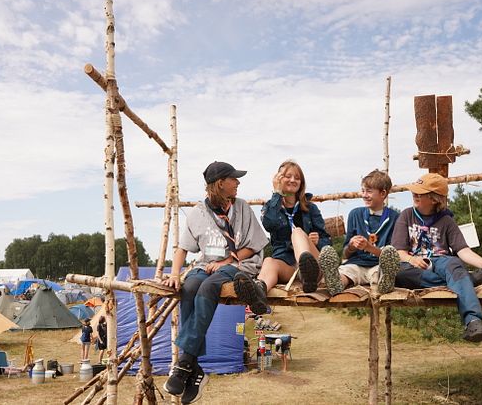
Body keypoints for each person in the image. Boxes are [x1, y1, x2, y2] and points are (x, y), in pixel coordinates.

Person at [162, 161, 268, 404]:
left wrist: (227, 261)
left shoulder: (242, 208)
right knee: (189, 288)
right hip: (206, 265)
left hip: (240, 265)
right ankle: (194, 369)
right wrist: (175, 274)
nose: (238, 182)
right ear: (221, 184)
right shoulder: (199, 213)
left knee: (209, 287)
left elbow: (254, 245)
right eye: (234, 179)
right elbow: (182, 248)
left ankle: (185, 363)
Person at [390, 173, 482, 342]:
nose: (415, 195)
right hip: (413, 265)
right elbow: (398, 252)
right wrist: (412, 260)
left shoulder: (446, 221)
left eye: (421, 193)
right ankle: (467, 280)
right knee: (398, 273)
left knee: (454, 264)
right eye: (415, 191)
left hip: (441, 261)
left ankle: (473, 322)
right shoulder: (406, 215)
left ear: (434, 198)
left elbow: (463, 250)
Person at [318, 170, 401, 295]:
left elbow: (392, 256)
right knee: (346, 272)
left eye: (369, 191)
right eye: (363, 191)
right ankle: (336, 283)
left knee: (380, 273)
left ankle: (384, 283)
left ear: (383, 193)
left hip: (379, 265)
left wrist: (369, 247)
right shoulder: (355, 214)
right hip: (356, 263)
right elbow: (346, 254)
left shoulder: (395, 218)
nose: (364, 195)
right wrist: (351, 246)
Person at [255, 160, 331, 295]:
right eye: (288, 176)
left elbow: (327, 242)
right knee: (268, 261)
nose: (293, 180)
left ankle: (307, 273)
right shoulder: (271, 207)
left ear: (301, 183)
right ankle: (258, 294)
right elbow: (269, 225)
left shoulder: (310, 208)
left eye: (297, 178)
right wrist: (277, 193)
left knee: (297, 232)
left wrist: (318, 241)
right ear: (278, 179)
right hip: (288, 266)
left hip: (314, 267)